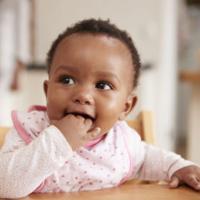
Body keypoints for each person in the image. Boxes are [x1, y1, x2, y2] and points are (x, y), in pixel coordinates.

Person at [0, 18, 200, 199]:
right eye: (67, 80)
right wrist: (60, 139)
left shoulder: (122, 144)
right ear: (47, 91)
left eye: (103, 85)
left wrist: (178, 167)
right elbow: (5, 185)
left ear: (126, 107)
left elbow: (148, 159)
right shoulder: (30, 131)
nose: (83, 95)